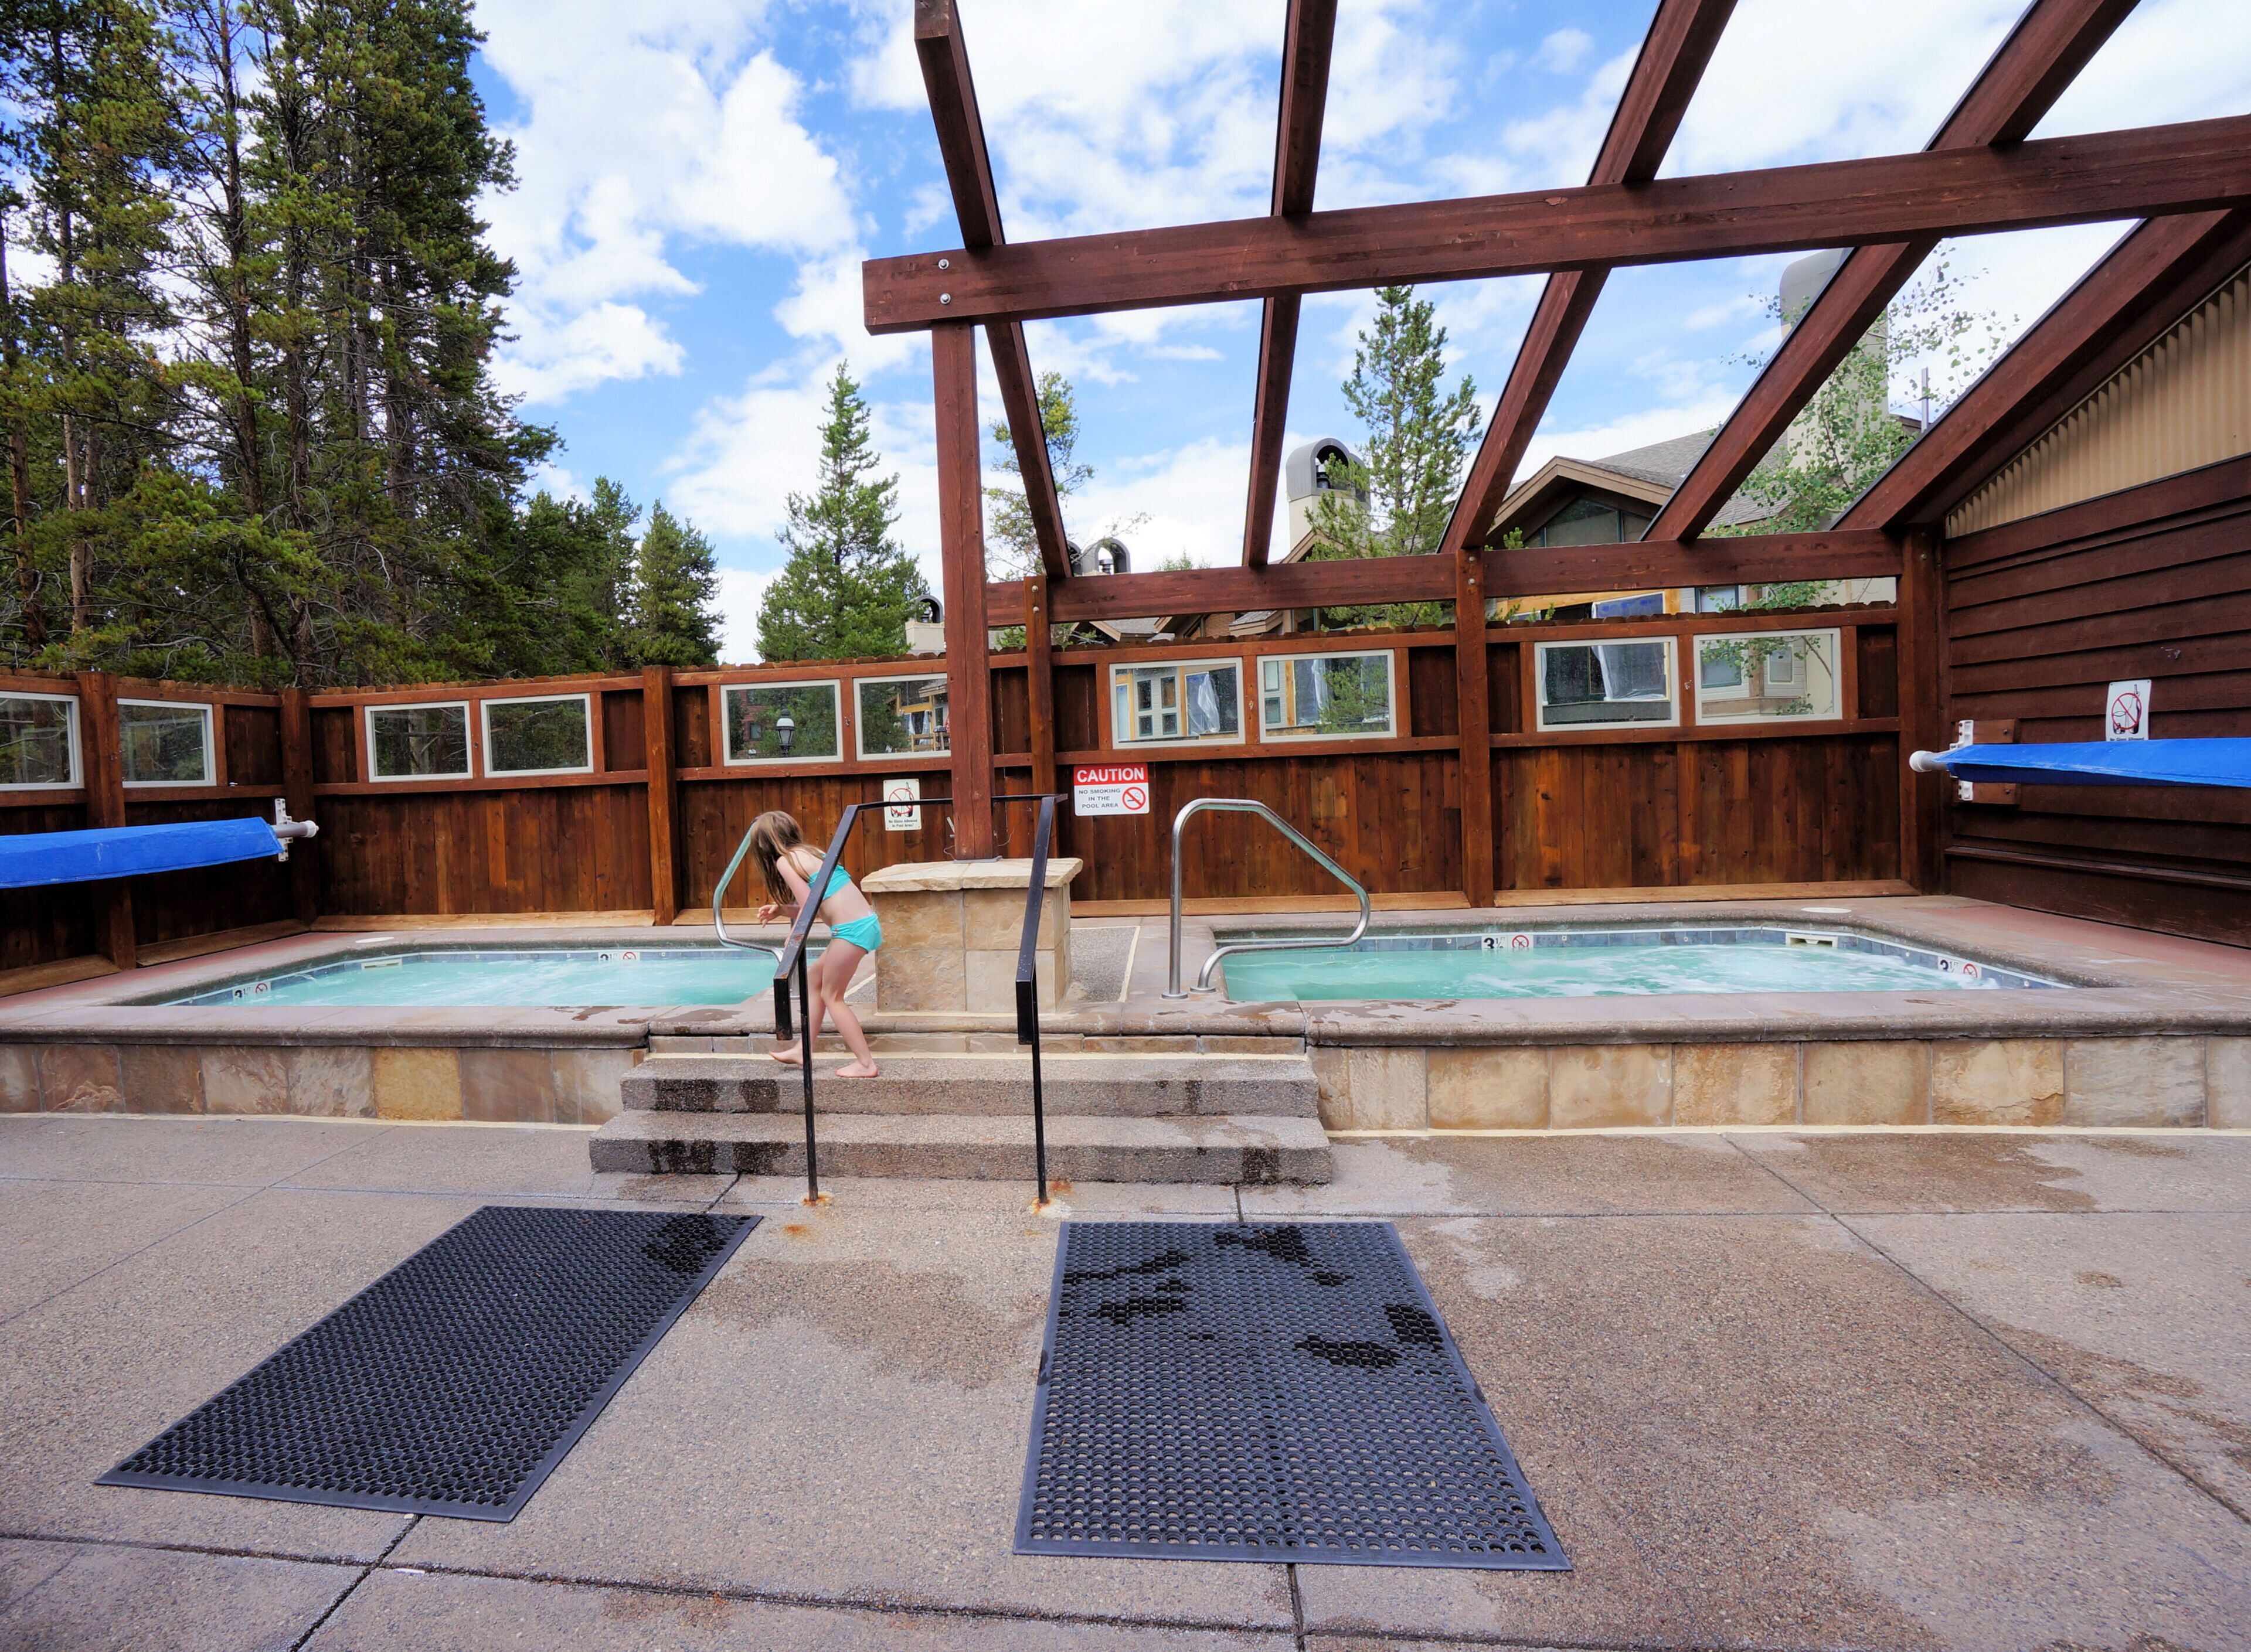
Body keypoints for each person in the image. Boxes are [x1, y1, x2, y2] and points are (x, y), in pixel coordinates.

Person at [750, 810, 882, 1078]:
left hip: (851, 931)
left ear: (763, 845)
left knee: (833, 997)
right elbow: (819, 898)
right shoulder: (812, 853)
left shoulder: (785, 862)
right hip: (863, 924)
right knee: (814, 980)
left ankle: (866, 1064)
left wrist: (794, 937)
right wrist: (782, 910)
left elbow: (809, 905)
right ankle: (803, 1050)